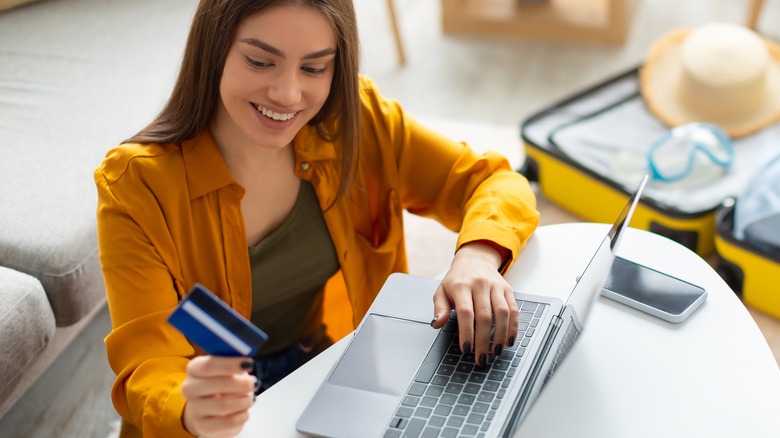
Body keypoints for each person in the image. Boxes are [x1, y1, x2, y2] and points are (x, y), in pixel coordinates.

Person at [94, 0, 539, 436]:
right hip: (202, 403)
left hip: (320, 367)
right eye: (259, 61)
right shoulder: (135, 185)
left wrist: (478, 256)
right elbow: (149, 363)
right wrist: (189, 408)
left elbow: (492, 181)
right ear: (214, 50)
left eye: (313, 68)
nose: (288, 95)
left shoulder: (358, 122)